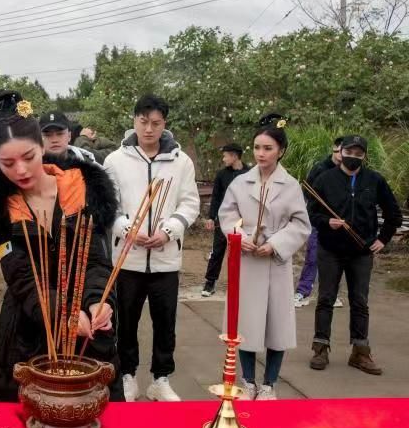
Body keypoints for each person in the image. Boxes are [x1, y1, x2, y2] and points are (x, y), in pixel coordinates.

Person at [0, 90, 123, 402]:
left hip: (85, 328)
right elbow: (22, 279)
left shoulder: (80, 188)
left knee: (92, 413)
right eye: (7, 163)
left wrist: (98, 301)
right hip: (28, 329)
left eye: (28, 158)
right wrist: (62, 314)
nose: (21, 171)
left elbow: (95, 261)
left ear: (42, 146)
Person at [103, 94, 200, 402]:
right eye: (143, 122)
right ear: (134, 120)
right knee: (126, 322)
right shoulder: (115, 161)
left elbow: (190, 202)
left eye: (155, 123)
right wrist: (126, 229)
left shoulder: (180, 161)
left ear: (164, 125)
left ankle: (161, 378)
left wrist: (169, 230)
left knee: (165, 323)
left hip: (165, 259)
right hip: (127, 259)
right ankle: (128, 375)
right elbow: (110, 204)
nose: (148, 129)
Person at [219, 114, 310, 400]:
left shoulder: (291, 185)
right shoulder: (240, 183)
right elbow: (227, 215)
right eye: (257, 147)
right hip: (246, 263)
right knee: (245, 322)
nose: (261, 153)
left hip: (275, 262)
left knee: (276, 325)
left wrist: (276, 244)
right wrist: (240, 237)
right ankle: (247, 381)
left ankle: (270, 384)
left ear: (280, 150)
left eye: (268, 148)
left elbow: (300, 224)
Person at [308, 135, 402, 375]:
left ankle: (360, 351)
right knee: (326, 298)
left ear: (364, 156)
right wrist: (327, 222)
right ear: (340, 152)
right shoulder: (325, 179)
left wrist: (382, 239)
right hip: (330, 250)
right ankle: (320, 348)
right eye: (349, 152)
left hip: (362, 252)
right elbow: (310, 213)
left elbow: (393, 214)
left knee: (360, 301)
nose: (353, 157)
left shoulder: (374, 180)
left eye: (359, 154)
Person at [295, 137, 344, 308]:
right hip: (320, 221)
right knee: (313, 256)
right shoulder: (320, 168)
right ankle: (302, 292)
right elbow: (307, 192)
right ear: (333, 150)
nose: (339, 155)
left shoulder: (348, 170)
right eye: (336, 151)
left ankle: (332, 294)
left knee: (336, 260)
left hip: (339, 223)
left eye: (342, 152)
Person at [201, 143, 250, 297]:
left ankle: (242, 283)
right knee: (217, 251)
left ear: (234, 156)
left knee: (244, 251)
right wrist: (211, 217)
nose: (223, 159)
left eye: (225, 155)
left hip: (245, 220)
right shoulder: (222, 175)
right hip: (224, 220)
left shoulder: (250, 173)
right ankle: (210, 282)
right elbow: (215, 197)